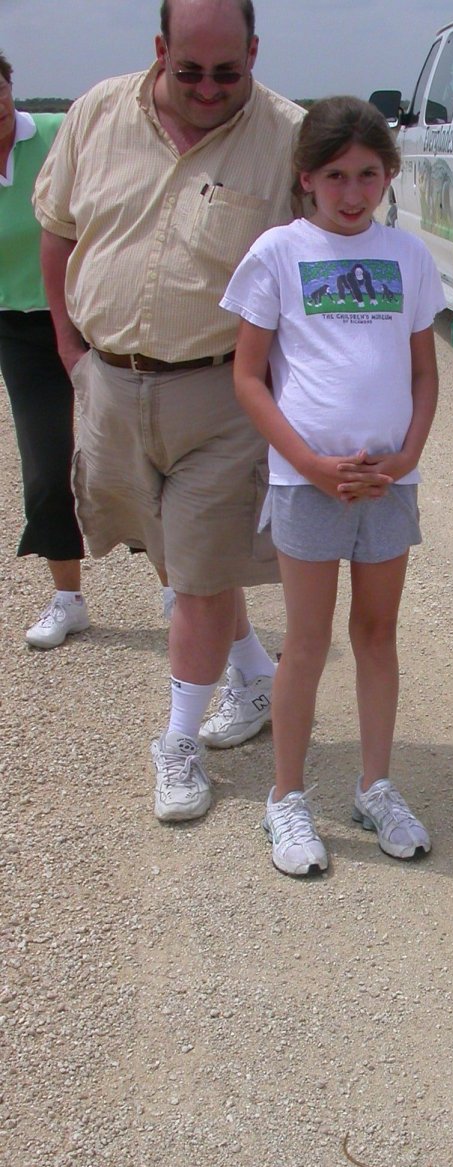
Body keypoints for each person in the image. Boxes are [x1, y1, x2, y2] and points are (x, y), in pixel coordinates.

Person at [33, 0, 304, 821]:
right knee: (173, 549)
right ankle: (254, 671)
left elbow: (313, 264)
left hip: (224, 392)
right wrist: (70, 350)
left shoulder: (288, 136)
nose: (211, 88)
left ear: (256, 51)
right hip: (110, 383)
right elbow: (57, 231)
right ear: (159, 49)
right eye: (190, 71)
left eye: (231, 71)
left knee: (196, 575)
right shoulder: (94, 114)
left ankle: (179, 740)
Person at [222, 96, 444, 877]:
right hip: (308, 484)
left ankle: (374, 785)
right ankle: (286, 796)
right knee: (308, 643)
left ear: (388, 175)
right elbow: (249, 377)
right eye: (337, 177)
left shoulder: (409, 255)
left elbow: (424, 373)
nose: (354, 193)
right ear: (307, 178)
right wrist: (311, 465)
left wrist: (406, 456)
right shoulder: (279, 252)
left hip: (388, 485)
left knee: (377, 634)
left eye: (369, 175)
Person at [0, 50, 87, 649]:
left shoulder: (58, 135)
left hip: (89, 320)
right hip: (17, 328)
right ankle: (68, 597)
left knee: (128, 454)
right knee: (46, 468)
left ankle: (175, 585)